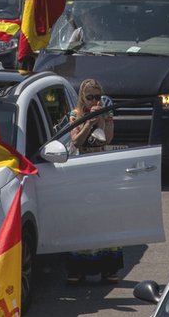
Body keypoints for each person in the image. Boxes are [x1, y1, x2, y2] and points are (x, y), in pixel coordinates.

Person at [66, 79, 122, 285]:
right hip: (82, 166)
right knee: (82, 218)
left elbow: (107, 140)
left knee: (104, 217)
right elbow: (75, 141)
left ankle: (108, 268)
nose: (94, 101)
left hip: (100, 165)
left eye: (97, 97)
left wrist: (104, 120)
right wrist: (88, 122)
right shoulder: (75, 115)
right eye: (89, 97)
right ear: (82, 97)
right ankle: (78, 268)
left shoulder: (105, 113)